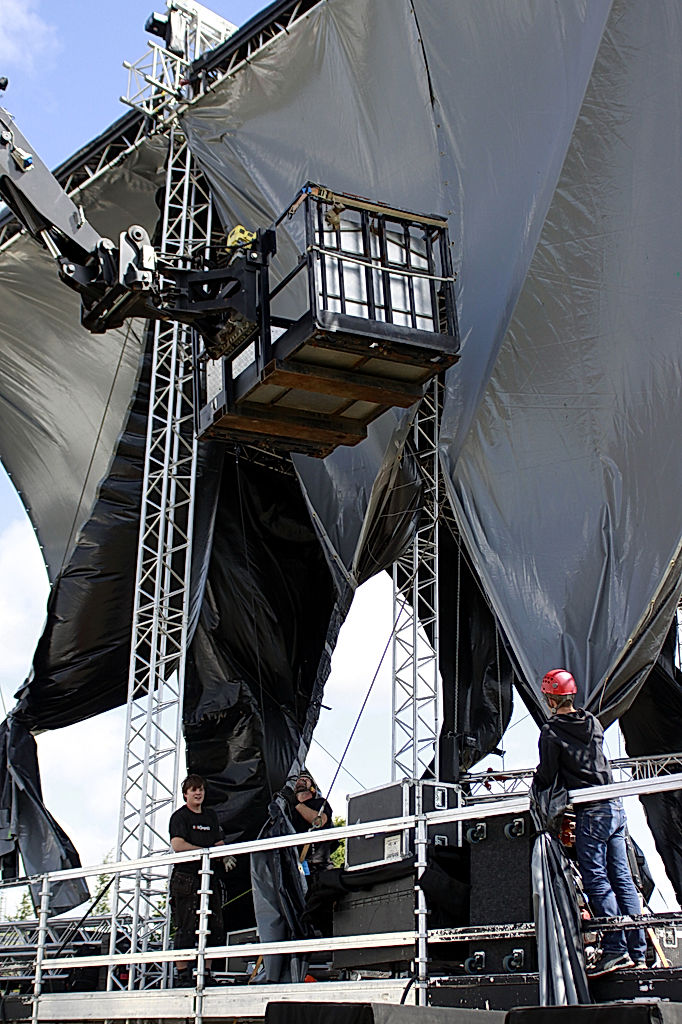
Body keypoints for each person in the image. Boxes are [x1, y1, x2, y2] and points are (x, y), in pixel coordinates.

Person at [533, 668, 647, 977]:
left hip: (591, 812)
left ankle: (615, 949)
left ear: (549, 698)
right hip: (615, 809)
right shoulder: (593, 722)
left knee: (597, 879)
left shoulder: (552, 731)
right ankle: (638, 951)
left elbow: (547, 775)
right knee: (623, 880)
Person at [168, 774, 235, 986]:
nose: (198, 793)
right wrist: (205, 852)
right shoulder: (180, 817)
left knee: (214, 926)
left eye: (201, 790)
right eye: (194, 790)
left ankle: (205, 973)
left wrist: (225, 856)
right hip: (186, 878)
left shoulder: (210, 816)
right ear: (186, 794)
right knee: (186, 925)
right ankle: (183, 975)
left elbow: (219, 841)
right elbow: (178, 845)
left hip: (209, 877)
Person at [291, 771, 334, 875]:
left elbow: (318, 821)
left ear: (313, 788)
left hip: (318, 866)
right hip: (294, 866)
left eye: (305, 779)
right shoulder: (289, 810)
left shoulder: (320, 803)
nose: (300, 781)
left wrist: (296, 804)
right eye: (298, 779)